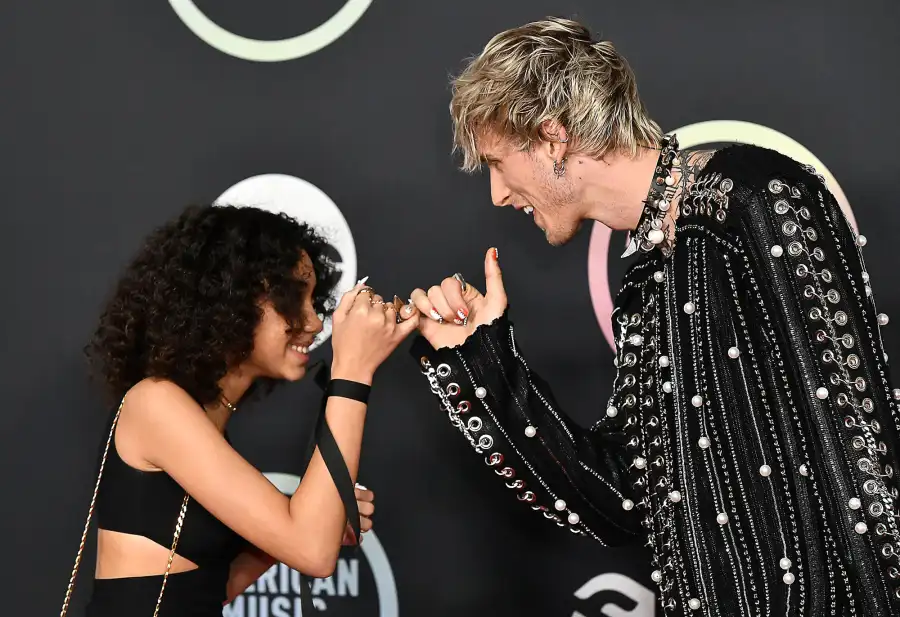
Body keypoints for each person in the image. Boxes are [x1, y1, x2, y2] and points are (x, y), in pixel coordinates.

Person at [402, 16, 900, 616]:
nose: (497, 194)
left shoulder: (753, 195)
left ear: (553, 137)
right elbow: (623, 499)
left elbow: (859, 445)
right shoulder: (648, 267)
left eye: (498, 162)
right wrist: (479, 359)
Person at [60, 204, 417, 616]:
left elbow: (213, 589)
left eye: (312, 299)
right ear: (229, 303)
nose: (315, 322)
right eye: (292, 298)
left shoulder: (205, 421)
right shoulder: (154, 403)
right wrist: (353, 370)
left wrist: (318, 521)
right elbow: (312, 552)